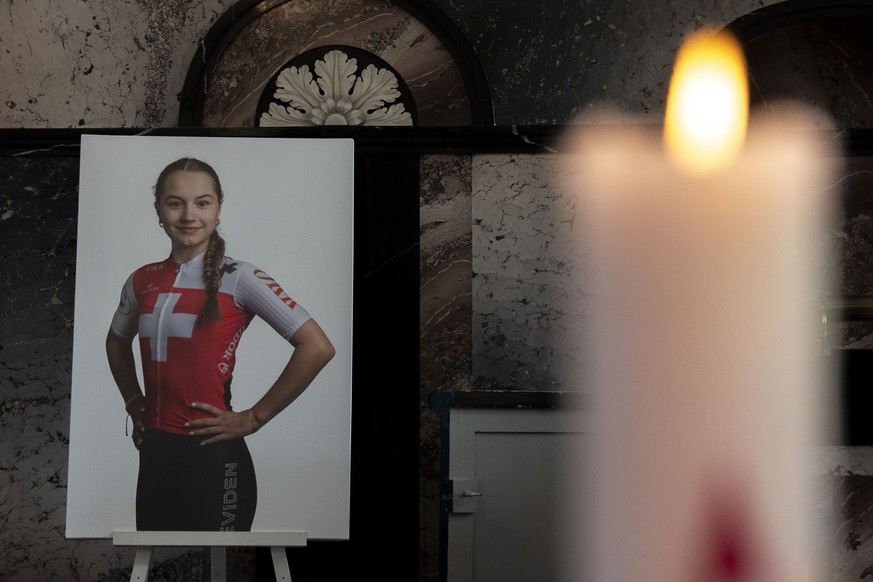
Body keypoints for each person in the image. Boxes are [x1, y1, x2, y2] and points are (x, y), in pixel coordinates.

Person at [105, 157, 335, 531]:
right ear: (158, 210)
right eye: (175, 202)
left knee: (220, 568)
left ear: (219, 209)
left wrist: (255, 417)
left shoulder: (240, 277)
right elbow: (116, 342)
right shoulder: (141, 279)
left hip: (215, 459)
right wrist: (134, 402)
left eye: (203, 202)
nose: (189, 215)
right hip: (156, 455)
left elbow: (317, 346)